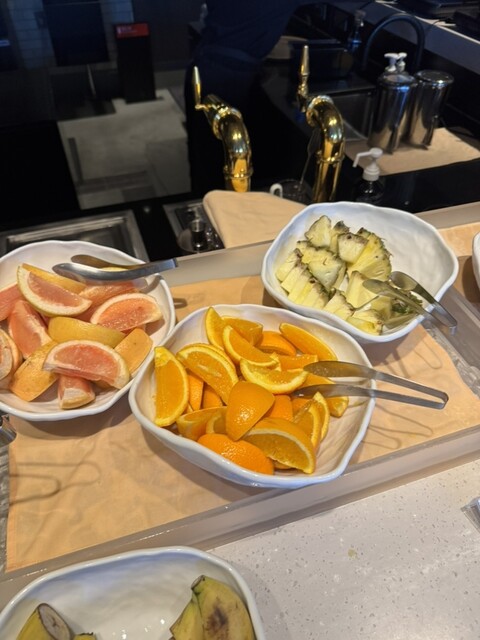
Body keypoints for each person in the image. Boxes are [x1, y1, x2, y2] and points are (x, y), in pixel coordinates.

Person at [184, 0, 315, 197]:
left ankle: (206, 206)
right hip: (226, 77)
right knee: (220, 165)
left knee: (205, 162)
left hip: (203, 68)